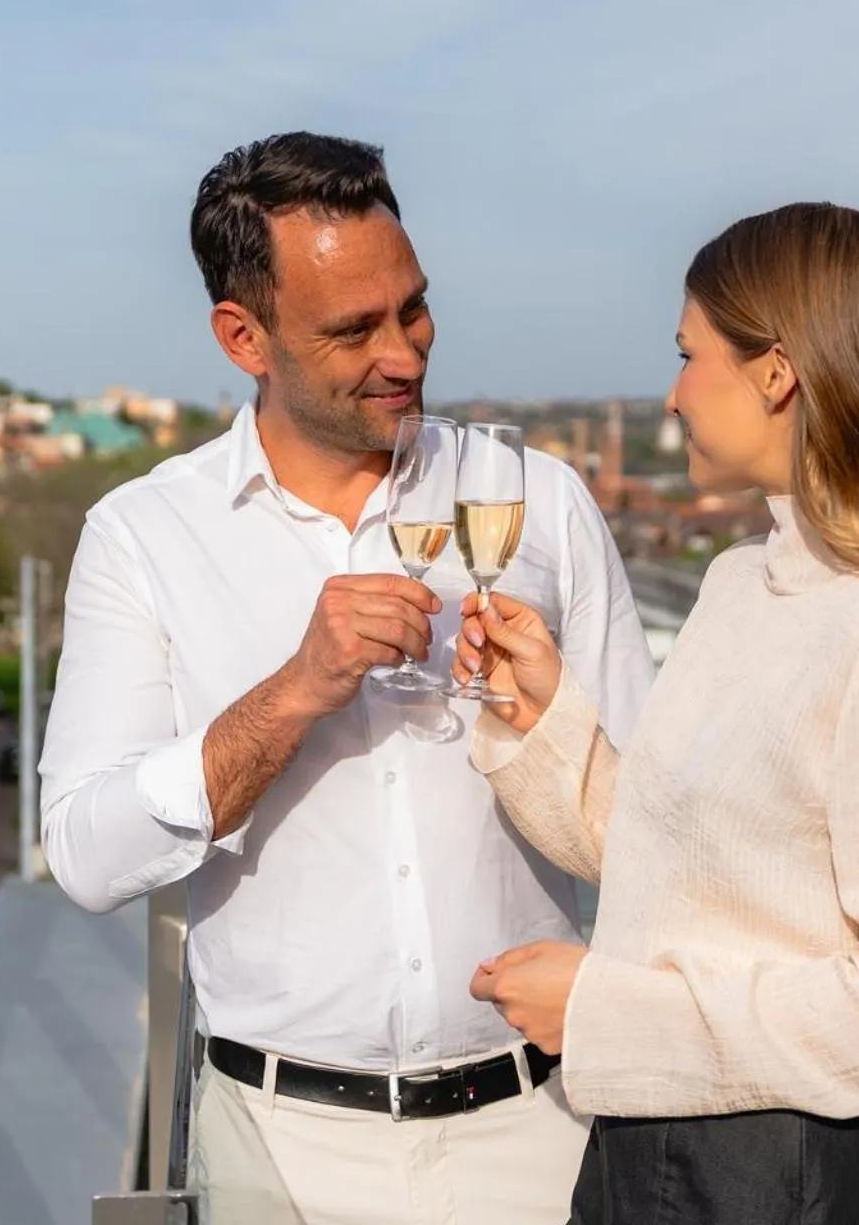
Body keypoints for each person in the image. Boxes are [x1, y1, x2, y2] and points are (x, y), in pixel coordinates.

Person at [39, 131, 656, 1225]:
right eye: (353, 329)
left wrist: (550, 723)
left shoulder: (536, 499)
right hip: (278, 1150)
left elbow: (660, 821)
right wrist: (292, 693)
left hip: (544, 1129)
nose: (404, 354)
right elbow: (86, 855)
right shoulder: (143, 535)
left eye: (414, 310)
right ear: (244, 336)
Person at [458, 202, 859, 1224]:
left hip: (777, 1173)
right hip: (642, 1144)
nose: (671, 395)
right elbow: (680, 867)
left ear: (776, 372)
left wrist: (606, 1010)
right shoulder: (739, 583)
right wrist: (541, 717)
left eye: (688, 354)